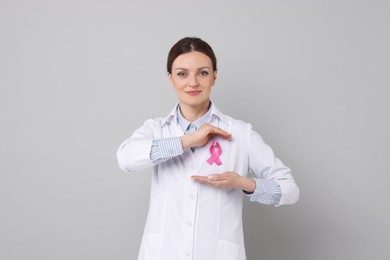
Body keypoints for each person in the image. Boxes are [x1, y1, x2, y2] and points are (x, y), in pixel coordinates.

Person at [117, 37, 299, 260]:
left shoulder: (240, 133)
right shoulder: (156, 129)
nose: (192, 83)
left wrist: (243, 183)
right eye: (182, 74)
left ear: (214, 76)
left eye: (202, 73)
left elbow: (290, 190)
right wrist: (188, 140)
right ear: (170, 79)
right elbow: (126, 159)